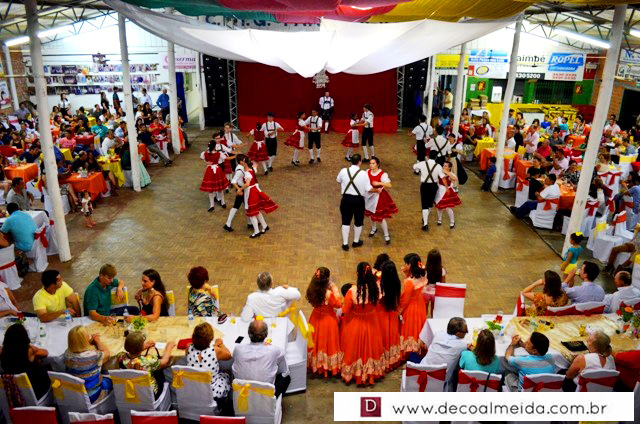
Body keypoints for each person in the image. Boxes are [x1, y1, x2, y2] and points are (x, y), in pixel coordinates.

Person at [340, 262, 386, 384]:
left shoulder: (352, 291)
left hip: (356, 323)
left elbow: (345, 310)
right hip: (372, 323)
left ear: (357, 274)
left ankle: (356, 373)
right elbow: (377, 304)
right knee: (372, 348)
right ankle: (370, 373)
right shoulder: (376, 288)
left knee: (354, 350)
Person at [232, 319, 290, 396]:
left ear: (248, 333)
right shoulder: (273, 351)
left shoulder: (238, 349)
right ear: (266, 334)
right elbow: (284, 366)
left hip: (242, 395)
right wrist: (269, 346)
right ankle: (274, 399)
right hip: (266, 397)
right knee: (286, 377)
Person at [306, 267, 342, 377]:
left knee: (317, 341)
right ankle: (328, 367)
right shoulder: (328, 293)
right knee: (328, 343)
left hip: (315, 317)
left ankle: (317, 365)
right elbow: (338, 304)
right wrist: (334, 288)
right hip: (328, 320)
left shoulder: (311, 289)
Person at [117, 331, 176, 399]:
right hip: (150, 395)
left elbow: (132, 352)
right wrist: (168, 347)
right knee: (160, 371)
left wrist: (142, 347)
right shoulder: (147, 361)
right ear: (141, 346)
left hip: (131, 392)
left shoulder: (120, 356)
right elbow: (164, 361)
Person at [186, 323, 232, 406]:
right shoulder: (215, 351)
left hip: (194, 389)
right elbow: (229, 355)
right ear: (210, 338)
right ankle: (227, 402)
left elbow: (202, 357)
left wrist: (215, 346)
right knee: (227, 372)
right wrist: (220, 344)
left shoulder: (188, 347)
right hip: (213, 392)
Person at [0, 323, 50, 399]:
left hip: (14, 390)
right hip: (36, 389)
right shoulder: (29, 351)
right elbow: (45, 352)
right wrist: (30, 345)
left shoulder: (3, 351)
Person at [337, 154, 376, 251]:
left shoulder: (343, 171)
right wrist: (377, 190)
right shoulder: (363, 174)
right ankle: (356, 241)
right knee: (358, 221)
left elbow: (338, 180)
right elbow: (368, 188)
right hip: (359, 200)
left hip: (346, 199)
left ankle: (345, 243)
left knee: (345, 221)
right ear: (360, 162)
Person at [64, 325, 112, 402]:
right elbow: (107, 353)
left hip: (76, 392)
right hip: (94, 394)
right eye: (88, 336)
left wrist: (87, 342)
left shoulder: (67, 354)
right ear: (85, 340)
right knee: (109, 379)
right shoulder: (93, 356)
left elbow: (78, 346)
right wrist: (97, 341)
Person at [420, 317, 469, 385]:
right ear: (458, 333)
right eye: (465, 331)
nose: (467, 333)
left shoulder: (438, 334)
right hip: (440, 382)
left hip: (420, 372)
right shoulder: (462, 346)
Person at [399, 253, 427, 355]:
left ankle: (410, 351)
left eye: (406, 263)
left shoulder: (409, 282)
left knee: (410, 327)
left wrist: (399, 311)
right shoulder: (422, 274)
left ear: (410, 265)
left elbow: (405, 300)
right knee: (418, 325)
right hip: (420, 302)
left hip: (411, 306)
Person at [242, 157, 278, 238]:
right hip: (255, 191)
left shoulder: (247, 173)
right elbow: (256, 165)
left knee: (252, 213)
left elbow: (247, 184)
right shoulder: (252, 170)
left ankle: (256, 231)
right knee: (256, 210)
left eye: (243, 162)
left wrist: (240, 189)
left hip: (251, 193)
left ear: (245, 164)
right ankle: (264, 226)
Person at [365, 157, 398, 244]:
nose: (371, 165)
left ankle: (386, 235)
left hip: (378, 197)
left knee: (381, 217)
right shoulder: (367, 172)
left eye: (373, 163)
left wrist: (379, 183)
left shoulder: (382, 174)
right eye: (370, 163)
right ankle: (373, 228)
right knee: (370, 213)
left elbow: (389, 185)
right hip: (369, 195)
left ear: (377, 164)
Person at [377, 260, 402, 370]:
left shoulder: (380, 285)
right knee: (392, 336)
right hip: (392, 312)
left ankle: (383, 360)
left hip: (381, 314)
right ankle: (391, 359)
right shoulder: (397, 283)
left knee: (383, 336)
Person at [414, 150, 444, 231]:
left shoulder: (422, 163)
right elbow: (442, 176)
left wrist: (420, 170)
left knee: (424, 204)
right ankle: (425, 218)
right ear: (436, 157)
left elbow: (414, 166)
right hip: (433, 186)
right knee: (430, 204)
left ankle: (425, 224)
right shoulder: (438, 166)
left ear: (428, 156)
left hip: (424, 185)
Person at [200, 139, 230, 212]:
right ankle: (223, 202)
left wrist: (206, 162)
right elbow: (226, 158)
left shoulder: (205, 153)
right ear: (214, 146)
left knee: (210, 189)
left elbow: (201, 158)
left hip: (209, 170)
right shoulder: (218, 153)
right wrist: (235, 156)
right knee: (220, 188)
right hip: (217, 170)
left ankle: (212, 205)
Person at [223, 154, 248, 232]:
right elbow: (233, 181)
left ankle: (250, 222)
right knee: (239, 206)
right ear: (241, 162)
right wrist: (239, 189)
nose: (246, 161)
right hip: (241, 189)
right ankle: (228, 224)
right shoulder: (240, 170)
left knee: (244, 205)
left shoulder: (240, 168)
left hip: (242, 189)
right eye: (244, 160)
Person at [435, 160, 461, 228]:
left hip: (447, 192)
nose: (443, 167)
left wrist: (447, 172)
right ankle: (439, 219)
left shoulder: (450, 174)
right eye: (443, 165)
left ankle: (452, 222)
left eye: (445, 166)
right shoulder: (440, 172)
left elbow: (455, 178)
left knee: (448, 208)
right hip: (439, 191)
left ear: (449, 168)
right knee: (438, 207)